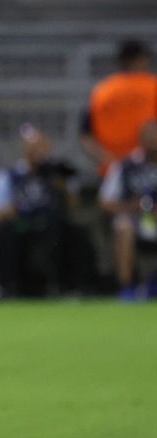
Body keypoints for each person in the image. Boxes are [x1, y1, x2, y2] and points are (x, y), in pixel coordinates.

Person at [0, 125, 83, 298]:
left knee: (69, 229)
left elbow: (73, 206)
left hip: (49, 226)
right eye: (34, 148)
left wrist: (60, 186)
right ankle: (4, 287)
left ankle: (67, 286)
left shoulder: (57, 174)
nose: (39, 152)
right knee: (4, 231)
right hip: (21, 225)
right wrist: (10, 210)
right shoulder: (7, 175)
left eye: (42, 147)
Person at [99, 119, 157, 299]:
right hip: (135, 219)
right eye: (147, 137)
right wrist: (132, 207)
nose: (152, 141)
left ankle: (153, 283)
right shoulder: (125, 166)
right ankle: (127, 287)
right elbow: (105, 202)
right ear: (140, 140)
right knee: (123, 226)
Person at [81, 39, 157, 176]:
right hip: (149, 169)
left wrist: (110, 162)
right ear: (141, 59)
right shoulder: (152, 86)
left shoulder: (101, 90)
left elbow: (86, 136)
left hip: (112, 171)